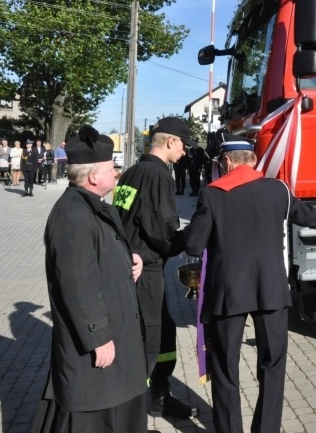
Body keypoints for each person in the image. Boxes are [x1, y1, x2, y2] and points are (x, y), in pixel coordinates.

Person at [184, 134, 316, 433]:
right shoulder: (278, 190)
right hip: (272, 291)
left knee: (225, 367)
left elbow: (194, 246)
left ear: (226, 161)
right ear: (253, 160)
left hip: (228, 292)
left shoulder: (212, 194)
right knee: (272, 366)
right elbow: (314, 220)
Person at [30, 124, 148, 433]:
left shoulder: (91, 207)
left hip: (116, 338)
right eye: (113, 168)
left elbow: (99, 255)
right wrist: (98, 337)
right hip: (97, 347)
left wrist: (129, 258)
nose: (117, 173)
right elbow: (77, 285)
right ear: (93, 176)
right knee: (93, 413)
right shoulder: (72, 216)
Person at [113, 116, 198, 420]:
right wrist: (192, 237)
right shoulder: (159, 175)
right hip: (144, 269)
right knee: (148, 339)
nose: (186, 152)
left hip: (128, 265)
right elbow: (161, 232)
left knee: (162, 332)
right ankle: (132, 414)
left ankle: (158, 395)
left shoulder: (131, 173)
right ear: (170, 141)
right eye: (184, 145)